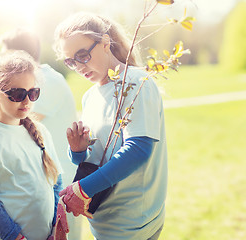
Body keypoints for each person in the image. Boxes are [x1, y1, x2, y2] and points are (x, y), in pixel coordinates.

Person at [53, 12, 167, 240]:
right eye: (70, 61)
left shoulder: (135, 82)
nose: (78, 66)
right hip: (104, 223)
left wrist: (83, 190)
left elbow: (138, 149)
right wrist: (78, 151)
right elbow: (90, 158)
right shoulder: (89, 96)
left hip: (133, 223)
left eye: (82, 55)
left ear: (106, 43)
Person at [0, 50, 64, 240]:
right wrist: (15, 236)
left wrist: (55, 228)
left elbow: (56, 184)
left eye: (33, 92)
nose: (26, 101)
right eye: (17, 94)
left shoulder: (41, 131)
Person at [0, 28, 82, 239]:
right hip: (42, 180)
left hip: (61, 183)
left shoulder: (47, 81)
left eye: (4, 52)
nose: (0, 57)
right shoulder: (31, 81)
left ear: (18, 55)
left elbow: (19, 127)